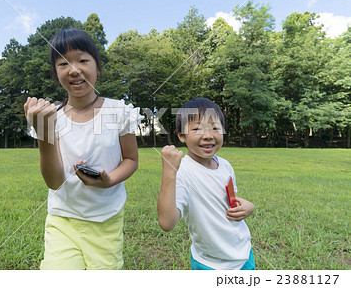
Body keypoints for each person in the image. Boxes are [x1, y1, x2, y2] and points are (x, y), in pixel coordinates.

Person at [24, 28, 142, 270]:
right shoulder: (50, 116)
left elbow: (130, 159)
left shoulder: (118, 112)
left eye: (82, 60)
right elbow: (55, 182)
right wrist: (44, 133)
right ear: (55, 72)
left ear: (97, 68)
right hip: (62, 218)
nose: (74, 69)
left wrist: (109, 181)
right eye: (63, 63)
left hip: (106, 219)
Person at [157, 98, 255, 270]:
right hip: (210, 263)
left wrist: (248, 206)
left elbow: (229, 201)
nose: (208, 135)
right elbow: (166, 223)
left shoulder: (225, 165)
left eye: (215, 128)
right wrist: (169, 172)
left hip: (244, 254)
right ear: (181, 135)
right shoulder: (183, 171)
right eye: (197, 129)